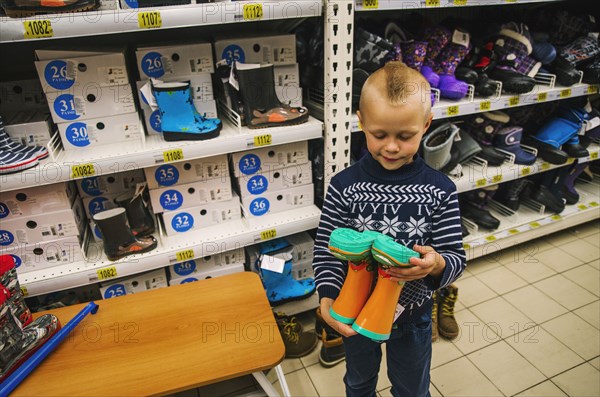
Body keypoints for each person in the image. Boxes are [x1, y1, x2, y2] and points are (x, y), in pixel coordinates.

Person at [312, 61, 467, 397]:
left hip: (413, 316)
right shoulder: (344, 186)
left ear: (426, 124)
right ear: (361, 121)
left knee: (412, 388)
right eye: (379, 134)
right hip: (353, 312)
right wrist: (327, 298)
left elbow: (456, 256)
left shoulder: (440, 190)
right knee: (358, 382)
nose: (392, 146)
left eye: (405, 136)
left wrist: (436, 264)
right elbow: (326, 249)